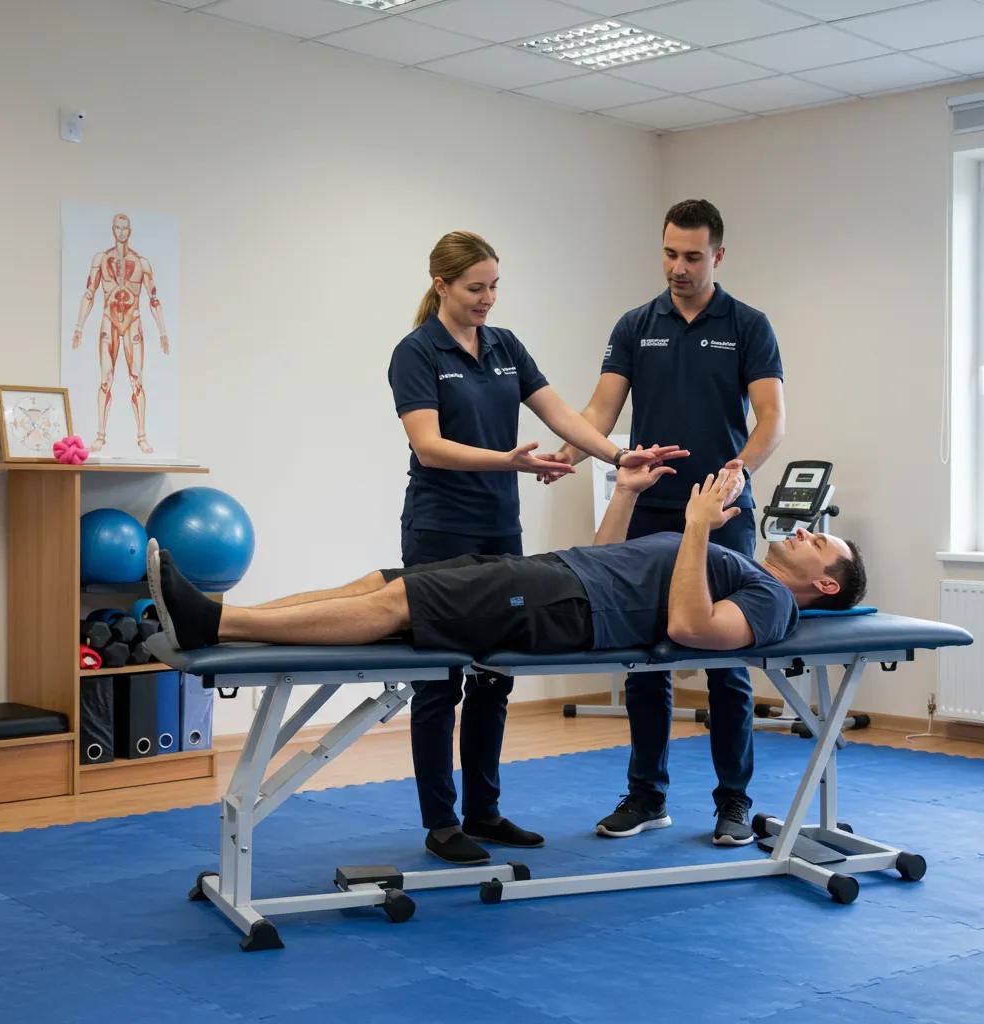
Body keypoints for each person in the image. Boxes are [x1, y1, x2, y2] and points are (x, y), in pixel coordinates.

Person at [146, 465, 867, 834]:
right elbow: (607, 555)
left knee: (398, 607)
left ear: (827, 585)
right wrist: (624, 491)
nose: (803, 532)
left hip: (563, 610)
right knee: (384, 582)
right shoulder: (744, 567)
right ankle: (213, 614)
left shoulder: (770, 602)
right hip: (561, 576)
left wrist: (700, 525)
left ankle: (215, 623)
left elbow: (690, 632)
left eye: (819, 542)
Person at [384, 230, 673, 865]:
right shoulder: (416, 352)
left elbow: (563, 416)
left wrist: (621, 454)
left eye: (494, 286)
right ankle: (441, 822)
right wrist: (508, 462)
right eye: (475, 288)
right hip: (440, 528)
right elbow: (429, 446)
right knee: (440, 680)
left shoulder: (506, 346)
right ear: (442, 286)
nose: (488, 298)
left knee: (495, 672)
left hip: (499, 528)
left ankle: (483, 811)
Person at [542, 198, 787, 846]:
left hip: (723, 513)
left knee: (726, 662)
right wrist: (566, 455)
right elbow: (600, 406)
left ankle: (733, 801)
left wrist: (740, 466)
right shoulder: (635, 324)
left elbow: (771, 418)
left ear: (718, 257)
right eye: (670, 254)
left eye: (693, 256)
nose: (679, 267)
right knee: (644, 659)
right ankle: (647, 796)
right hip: (651, 508)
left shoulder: (749, 326)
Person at [71, 212, 170, 454]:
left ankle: (141, 436)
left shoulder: (143, 263)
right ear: (113, 229)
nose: (122, 232)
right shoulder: (101, 259)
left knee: (137, 379)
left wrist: (163, 331)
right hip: (109, 321)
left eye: (125, 228)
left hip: (133, 322)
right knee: (106, 379)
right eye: (118, 228)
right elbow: (89, 293)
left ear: (130, 231)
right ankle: (101, 436)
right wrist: (79, 326)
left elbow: (154, 298)